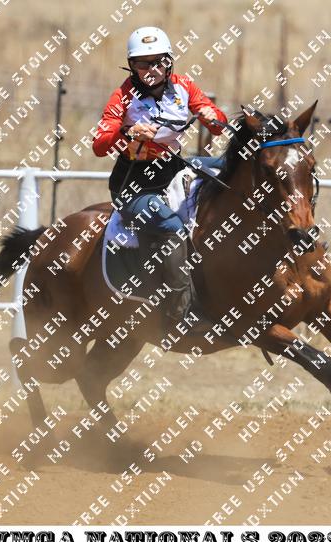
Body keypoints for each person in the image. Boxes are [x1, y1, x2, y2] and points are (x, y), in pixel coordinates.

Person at [92, 26, 228, 335]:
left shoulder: (184, 86)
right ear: (132, 66)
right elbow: (99, 145)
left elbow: (218, 123)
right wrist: (127, 133)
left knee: (230, 168)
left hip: (173, 168)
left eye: (158, 62)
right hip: (134, 183)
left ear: (169, 62)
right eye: (142, 63)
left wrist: (213, 116)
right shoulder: (122, 96)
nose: (151, 69)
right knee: (172, 227)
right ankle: (179, 313)